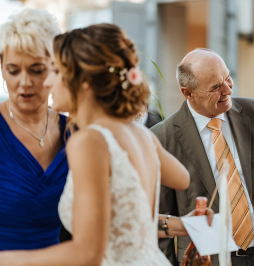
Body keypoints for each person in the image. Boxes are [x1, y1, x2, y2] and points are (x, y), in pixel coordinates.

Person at [0, 23, 206, 266]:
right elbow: (182, 178)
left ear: (83, 80)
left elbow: (87, 254)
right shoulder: (139, 135)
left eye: (55, 72)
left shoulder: (88, 141)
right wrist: (177, 224)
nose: (47, 83)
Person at [152, 48, 254, 266]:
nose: (227, 89)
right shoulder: (162, 137)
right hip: (208, 260)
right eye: (216, 87)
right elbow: (161, 217)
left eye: (228, 77)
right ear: (188, 93)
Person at [0, 8, 68, 250]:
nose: (25, 82)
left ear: (55, 66)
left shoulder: (73, 132)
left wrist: (177, 224)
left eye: (36, 70)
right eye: (13, 70)